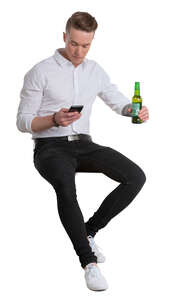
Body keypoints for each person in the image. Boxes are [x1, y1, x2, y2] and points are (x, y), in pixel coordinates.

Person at [16, 11, 149, 292]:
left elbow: (117, 100)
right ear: (65, 37)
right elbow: (23, 121)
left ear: (92, 42)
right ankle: (89, 264)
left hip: (84, 144)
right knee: (66, 186)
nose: (79, 51)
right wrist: (54, 119)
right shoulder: (40, 71)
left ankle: (88, 231)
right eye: (74, 43)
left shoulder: (94, 70)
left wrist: (133, 110)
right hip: (49, 147)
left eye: (85, 45)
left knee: (135, 176)